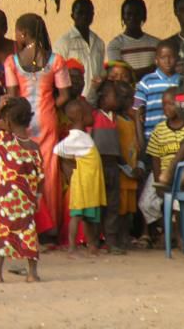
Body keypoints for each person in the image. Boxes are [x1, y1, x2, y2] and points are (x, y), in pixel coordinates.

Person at [5, 13, 70, 232]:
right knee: (49, 171)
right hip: (48, 118)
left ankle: (26, 225)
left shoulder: (12, 62)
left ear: (22, 34)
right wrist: (50, 104)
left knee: (23, 170)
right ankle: (50, 226)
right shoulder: (56, 60)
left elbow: (13, 96)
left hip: (22, 123)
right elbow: (65, 95)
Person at [0, 97, 43, 283]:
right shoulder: (34, 148)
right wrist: (37, 198)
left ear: (8, 122)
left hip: (3, 199)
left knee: (1, 234)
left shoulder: (5, 140)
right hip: (26, 201)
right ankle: (32, 274)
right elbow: (40, 176)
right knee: (28, 232)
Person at [140, 88, 184, 244]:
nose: (167, 108)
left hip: (183, 174)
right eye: (164, 105)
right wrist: (158, 181)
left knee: (178, 203)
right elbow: (155, 158)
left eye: (171, 104)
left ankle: (177, 235)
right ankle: (164, 228)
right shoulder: (159, 129)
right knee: (146, 202)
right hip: (161, 173)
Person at [54, 100, 105, 257]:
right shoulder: (76, 137)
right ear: (82, 117)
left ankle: (91, 246)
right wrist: (70, 164)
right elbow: (58, 149)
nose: (93, 117)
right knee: (77, 216)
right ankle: (72, 248)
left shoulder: (82, 136)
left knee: (89, 217)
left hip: (89, 183)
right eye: (90, 114)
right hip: (82, 183)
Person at [92, 81, 125, 254]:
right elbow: (89, 101)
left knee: (113, 205)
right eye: (115, 95)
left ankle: (111, 241)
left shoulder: (115, 118)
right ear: (103, 98)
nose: (118, 99)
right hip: (98, 166)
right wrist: (94, 87)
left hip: (113, 166)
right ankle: (95, 241)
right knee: (98, 205)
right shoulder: (95, 115)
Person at [53, 0, 105, 104]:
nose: (84, 16)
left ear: (93, 15)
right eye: (80, 13)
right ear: (73, 16)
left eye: (88, 13)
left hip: (94, 102)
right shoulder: (64, 42)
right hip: (72, 103)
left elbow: (100, 73)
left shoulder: (98, 42)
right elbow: (57, 75)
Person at [134, 40, 181, 142]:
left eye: (171, 57)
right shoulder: (147, 81)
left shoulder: (182, 81)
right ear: (156, 60)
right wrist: (142, 143)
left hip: (178, 138)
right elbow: (137, 111)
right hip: (152, 137)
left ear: (177, 58)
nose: (167, 61)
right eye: (163, 57)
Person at [114, 81, 142, 243]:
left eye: (131, 97)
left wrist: (137, 119)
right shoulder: (115, 120)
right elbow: (116, 148)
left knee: (129, 208)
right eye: (124, 97)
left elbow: (139, 144)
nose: (129, 101)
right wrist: (126, 167)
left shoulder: (130, 120)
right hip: (122, 170)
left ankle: (125, 237)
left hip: (132, 169)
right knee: (120, 208)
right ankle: (119, 238)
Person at [107, 0, 160, 81]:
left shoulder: (157, 43)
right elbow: (119, 76)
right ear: (123, 17)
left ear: (143, 16)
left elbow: (161, 72)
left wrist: (130, 73)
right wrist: (150, 69)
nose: (133, 18)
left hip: (151, 92)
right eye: (129, 14)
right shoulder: (115, 45)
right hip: (126, 93)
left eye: (137, 14)